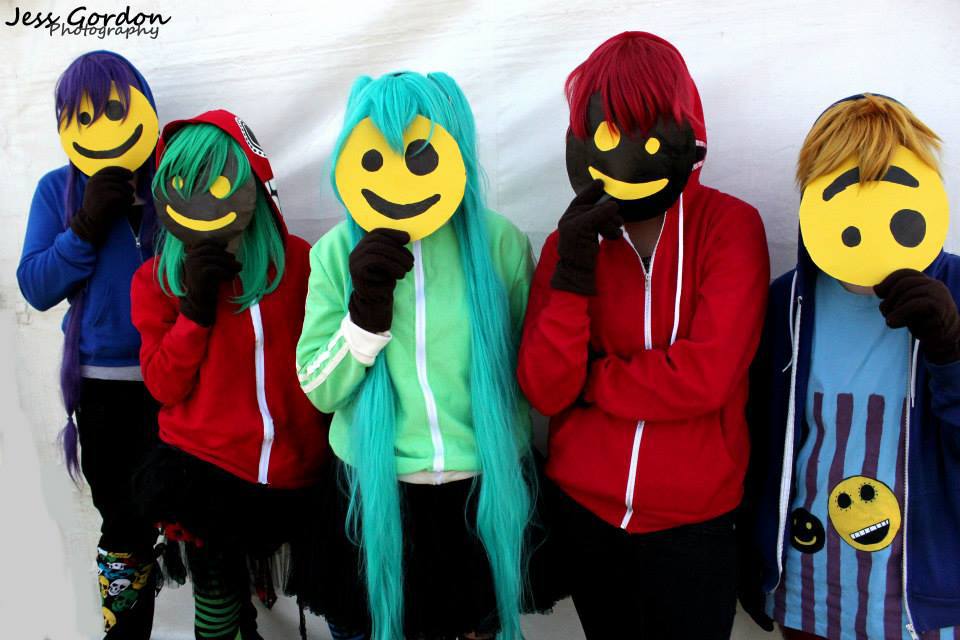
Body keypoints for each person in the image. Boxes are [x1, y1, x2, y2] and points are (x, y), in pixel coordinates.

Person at [517, 31, 770, 639]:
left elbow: (706, 378)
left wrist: (593, 380)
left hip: (695, 523)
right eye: (609, 132)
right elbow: (545, 389)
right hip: (586, 515)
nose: (627, 152)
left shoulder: (730, 227)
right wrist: (573, 271)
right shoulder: (567, 243)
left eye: (645, 130)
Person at [291, 70, 559, 640]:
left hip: (483, 496)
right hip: (373, 495)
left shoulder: (500, 244)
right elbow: (319, 387)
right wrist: (363, 317)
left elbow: (534, 374)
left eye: (418, 156)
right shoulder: (335, 252)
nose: (397, 177)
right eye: (374, 157)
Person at [741, 94, 960, 640]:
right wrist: (752, 558)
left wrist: (951, 353)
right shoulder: (787, 302)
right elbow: (759, 440)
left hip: (919, 604)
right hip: (807, 590)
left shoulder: (955, 294)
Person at [129, 110, 329, 640]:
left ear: (251, 184)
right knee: (217, 609)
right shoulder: (157, 281)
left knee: (337, 598)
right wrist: (194, 310)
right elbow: (163, 385)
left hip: (298, 467)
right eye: (183, 187)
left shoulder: (300, 263)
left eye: (217, 185)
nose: (202, 204)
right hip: (205, 472)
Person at [17, 50, 162, 639]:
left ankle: (225, 620)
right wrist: (85, 226)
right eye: (82, 114)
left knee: (197, 517)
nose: (100, 124)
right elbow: (36, 285)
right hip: (105, 393)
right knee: (124, 528)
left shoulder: (174, 180)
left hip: (185, 382)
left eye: (114, 108)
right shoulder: (58, 190)